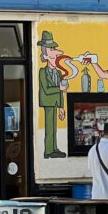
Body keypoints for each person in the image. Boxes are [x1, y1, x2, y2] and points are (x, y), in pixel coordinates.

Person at [37, 30, 68, 158]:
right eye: (52, 56)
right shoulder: (42, 72)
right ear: (45, 56)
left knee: (54, 128)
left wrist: (61, 107)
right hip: (48, 102)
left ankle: (54, 148)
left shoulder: (59, 73)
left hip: (55, 102)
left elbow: (60, 93)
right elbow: (47, 89)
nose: (55, 60)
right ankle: (48, 151)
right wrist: (59, 87)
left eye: (56, 58)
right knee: (49, 128)